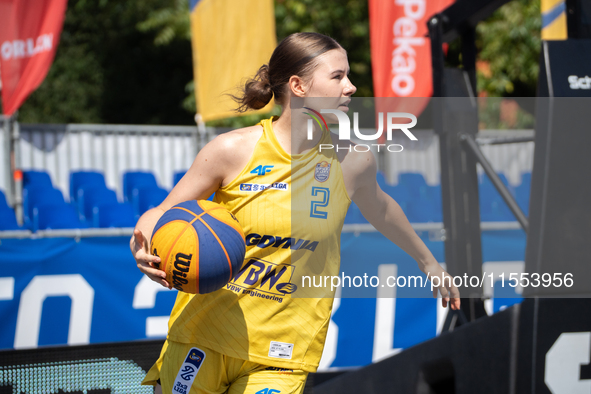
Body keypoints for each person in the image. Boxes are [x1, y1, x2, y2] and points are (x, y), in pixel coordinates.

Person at [131, 32, 460, 394]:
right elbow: (162, 213)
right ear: (298, 86)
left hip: (282, 353)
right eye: (337, 77)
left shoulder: (352, 160)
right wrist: (143, 245)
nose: (350, 87)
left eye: (348, 76)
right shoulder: (232, 150)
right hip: (203, 335)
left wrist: (428, 262)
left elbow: (380, 208)